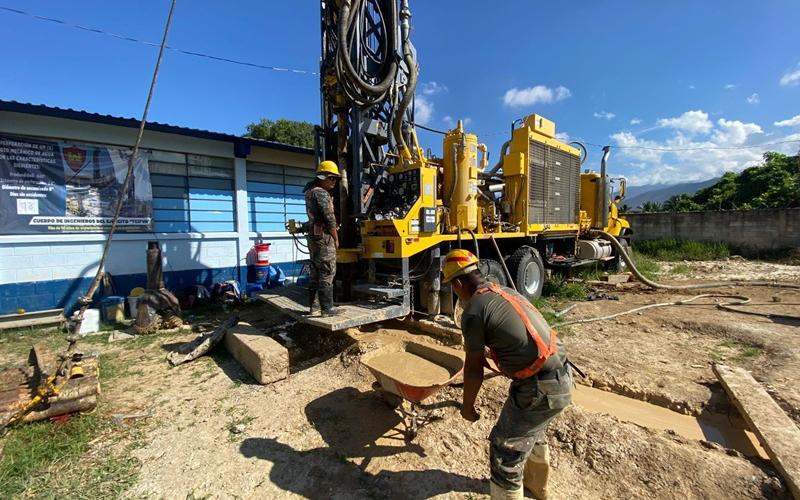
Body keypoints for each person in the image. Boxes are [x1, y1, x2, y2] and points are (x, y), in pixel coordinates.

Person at [442, 249, 572, 500]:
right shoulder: (507, 291)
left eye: (452, 287)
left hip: (538, 389)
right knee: (532, 431)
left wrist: (467, 407)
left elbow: (473, 368)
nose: (455, 292)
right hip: (562, 376)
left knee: (505, 451)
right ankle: (537, 488)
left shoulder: (473, 311)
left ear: (458, 283)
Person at [304, 160, 340, 316]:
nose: (334, 181)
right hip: (324, 237)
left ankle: (314, 307)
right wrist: (336, 238)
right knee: (327, 270)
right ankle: (327, 309)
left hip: (313, 236)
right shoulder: (321, 193)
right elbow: (329, 218)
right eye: (331, 178)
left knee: (315, 271)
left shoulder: (309, 191)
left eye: (335, 179)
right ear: (322, 177)